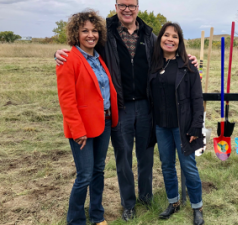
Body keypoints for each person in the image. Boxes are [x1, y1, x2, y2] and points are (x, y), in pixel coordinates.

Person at [55, 0, 198, 221]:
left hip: (146, 105)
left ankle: (146, 197)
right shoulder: (106, 35)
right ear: (116, 6)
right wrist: (57, 54)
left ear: (138, 7)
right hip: (119, 107)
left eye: (132, 5)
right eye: (123, 4)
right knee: (123, 157)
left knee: (146, 156)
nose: (127, 9)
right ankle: (128, 203)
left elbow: (169, 54)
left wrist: (188, 58)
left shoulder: (150, 36)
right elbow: (83, 50)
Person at [56, 10, 118, 225]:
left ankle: (97, 216)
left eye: (94, 31)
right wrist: (77, 130)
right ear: (76, 33)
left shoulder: (99, 58)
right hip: (82, 127)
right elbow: (67, 100)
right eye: (85, 31)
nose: (90, 35)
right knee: (84, 175)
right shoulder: (68, 59)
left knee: (98, 171)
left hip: (105, 122)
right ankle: (75, 220)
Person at [148, 22, 205, 225]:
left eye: (174, 36)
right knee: (167, 166)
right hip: (161, 127)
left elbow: (197, 99)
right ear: (160, 38)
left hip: (183, 127)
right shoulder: (154, 65)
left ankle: (197, 207)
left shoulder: (188, 67)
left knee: (189, 167)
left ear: (179, 41)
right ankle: (173, 203)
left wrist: (196, 127)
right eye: (166, 35)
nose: (169, 39)